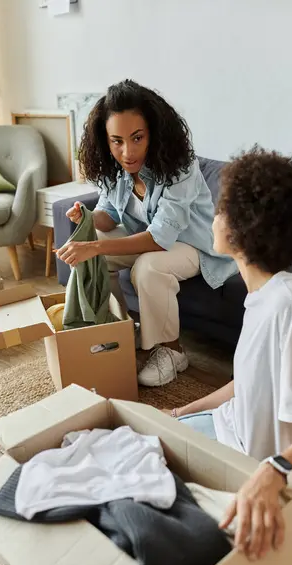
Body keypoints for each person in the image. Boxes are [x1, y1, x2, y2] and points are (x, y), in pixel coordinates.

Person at [166, 147, 292, 561]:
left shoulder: (290, 307)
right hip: (239, 432)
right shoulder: (263, 295)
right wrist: (185, 412)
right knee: (148, 439)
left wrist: (271, 473)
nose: (213, 216)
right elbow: (247, 382)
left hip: (285, 474)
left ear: (246, 226)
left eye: (221, 209)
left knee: (158, 494)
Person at [57, 79, 236, 387]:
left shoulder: (180, 167)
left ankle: (171, 351)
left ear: (154, 131)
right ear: (106, 140)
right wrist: (87, 217)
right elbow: (110, 216)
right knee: (93, 244)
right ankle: (117, 331)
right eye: (117, 141)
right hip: (154, 242)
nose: (128, 152)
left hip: (194, 246)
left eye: (137, 137)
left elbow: (160, 238)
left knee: (148, 267)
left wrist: (95, 249)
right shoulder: (115, 170)